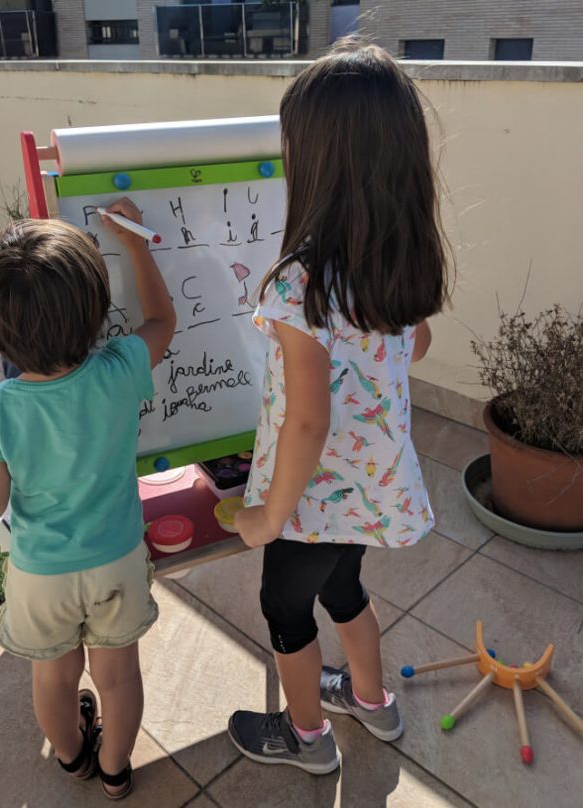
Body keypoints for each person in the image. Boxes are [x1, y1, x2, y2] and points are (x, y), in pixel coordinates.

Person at [228, 38, 450, 774]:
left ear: (319, 160)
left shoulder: (298, 283)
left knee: (288, 612)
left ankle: (308, 738)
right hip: (370, 491)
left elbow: (308, 420)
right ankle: (373, 701)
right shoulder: (399, 259)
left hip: (311, 500)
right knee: (347, 588)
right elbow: (411, 349)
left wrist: (267, 515)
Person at [0, 199, 176, 799]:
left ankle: (73, 759)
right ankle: (115, 769)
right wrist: (136, 245)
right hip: (118, 559)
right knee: (118, 674)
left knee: (54, 676)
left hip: (41, 575)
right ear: (94, 313)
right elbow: (162, 321)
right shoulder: (120, 368)